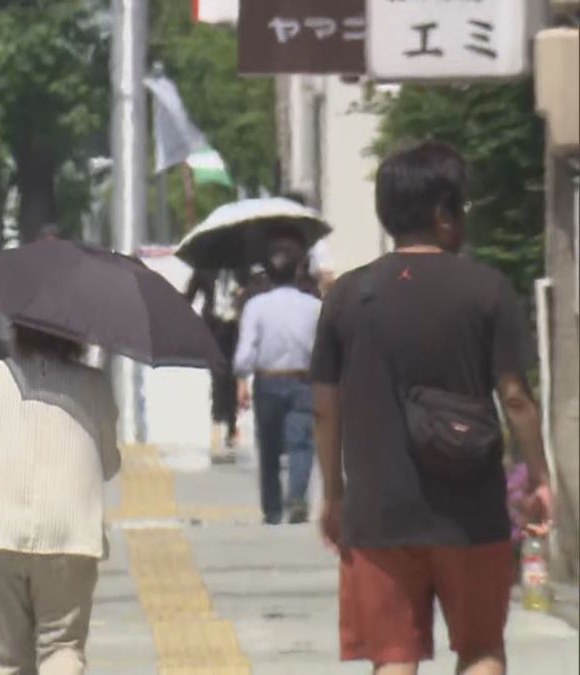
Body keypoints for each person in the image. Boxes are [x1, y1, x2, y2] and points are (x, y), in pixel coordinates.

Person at [311, 141, 553, 675]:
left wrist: (334, 495)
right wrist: (536, 475)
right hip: (470, 509)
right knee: (482, 650)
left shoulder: (348, 296)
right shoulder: (487, 290)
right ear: (443, 214)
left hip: (378, 511)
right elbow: (514, 396)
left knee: (393, 658)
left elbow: (325, 410)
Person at [0, 325, 120, 675]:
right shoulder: (96, 385)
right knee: (61, 645)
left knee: (11, 658)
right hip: (70, 534)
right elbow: (108, 464)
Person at [233, 237, 321, 525]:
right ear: (298, 270)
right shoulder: (314, 307)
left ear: (267, 272)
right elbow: (323, 350)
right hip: (304, 381)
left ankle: (272, 509)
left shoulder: (256, 307)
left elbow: (245, 353)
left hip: (267, 382)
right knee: (302, 443)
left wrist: (242, 380)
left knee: (269, 447)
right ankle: (297, 495)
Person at [185, 268, 244, 455]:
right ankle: (218, 423)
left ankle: (232, 425)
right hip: (214, 327)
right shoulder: (205, 269)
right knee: (218, 374)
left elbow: (254, 290)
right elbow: (189, 295)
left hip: (236, 326)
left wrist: (243, 293)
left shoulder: (241, 269)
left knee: (233, 374)